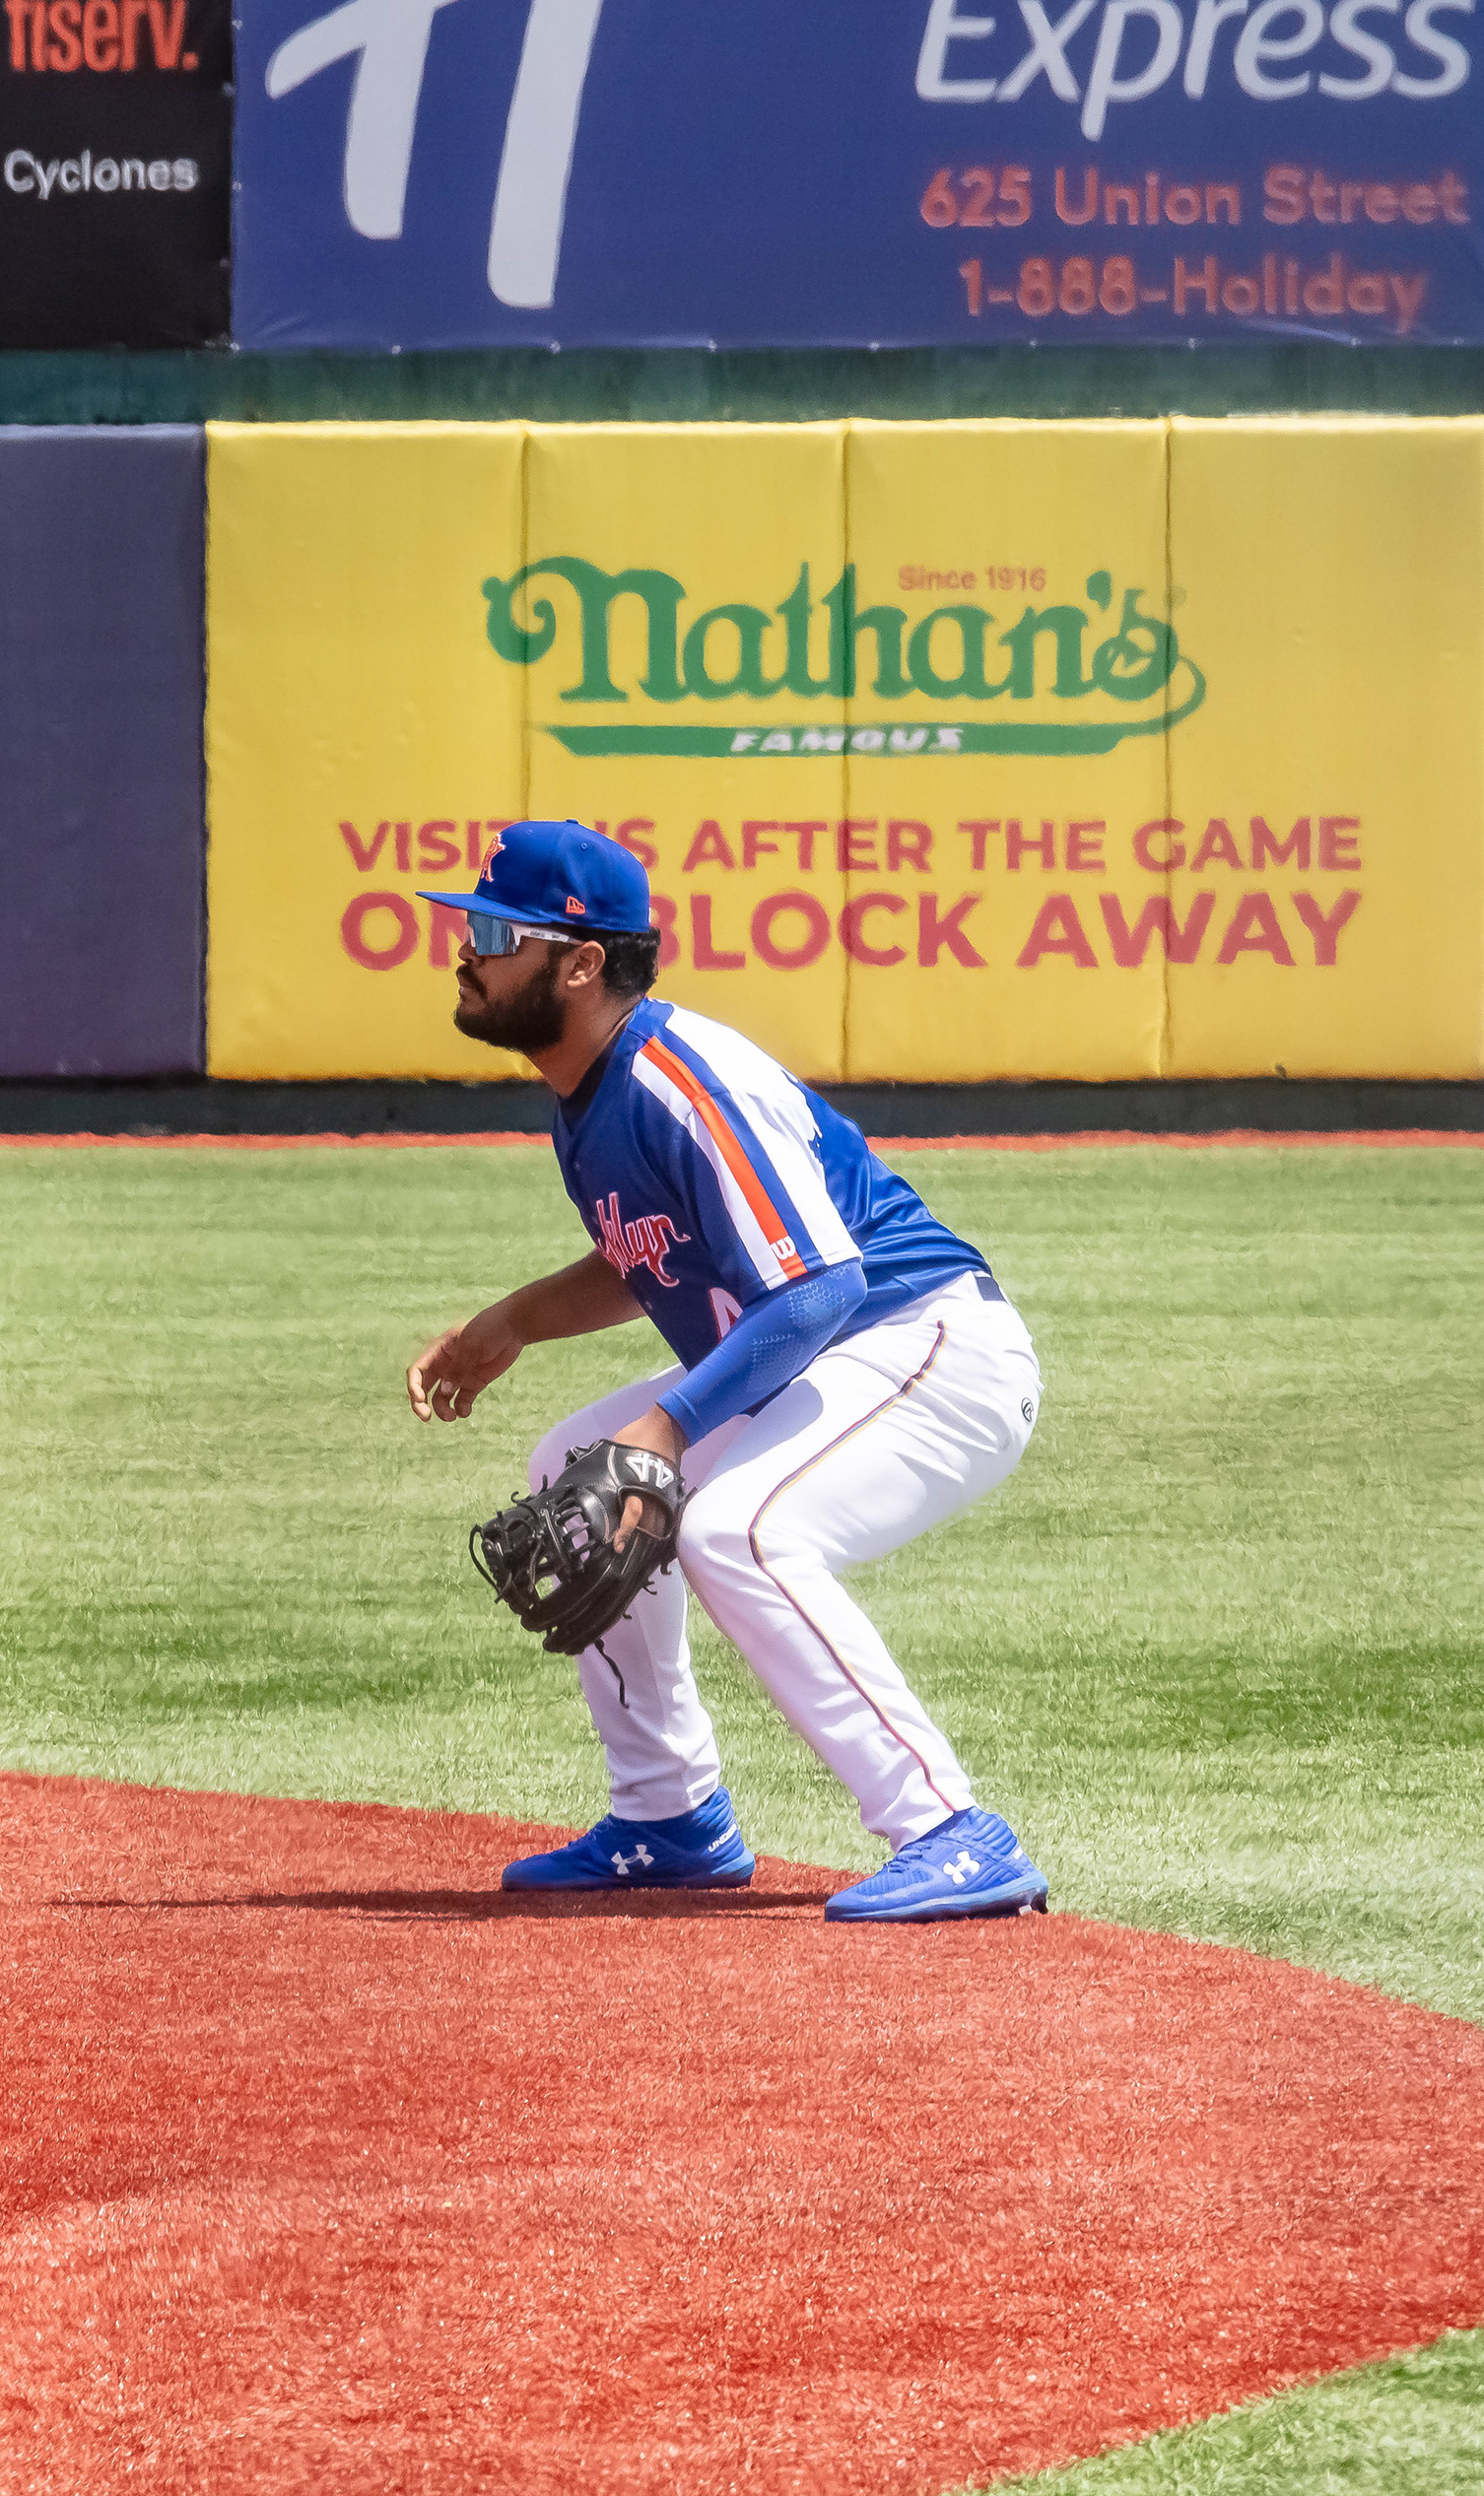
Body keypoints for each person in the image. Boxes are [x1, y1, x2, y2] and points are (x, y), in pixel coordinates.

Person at [401, 821, 1050, 1924]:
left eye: (493, 930)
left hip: (930, 1348)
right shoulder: (588, 1089)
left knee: (735, 1525)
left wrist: (668, 1425)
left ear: (581, 961)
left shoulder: (677, 1074)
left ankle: (949, 1827)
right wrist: (511, 1321)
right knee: (576, 1472)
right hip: (831, 1356)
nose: (467, 949)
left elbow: (820, 1286)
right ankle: (670, 1819)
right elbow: (649, 1255)